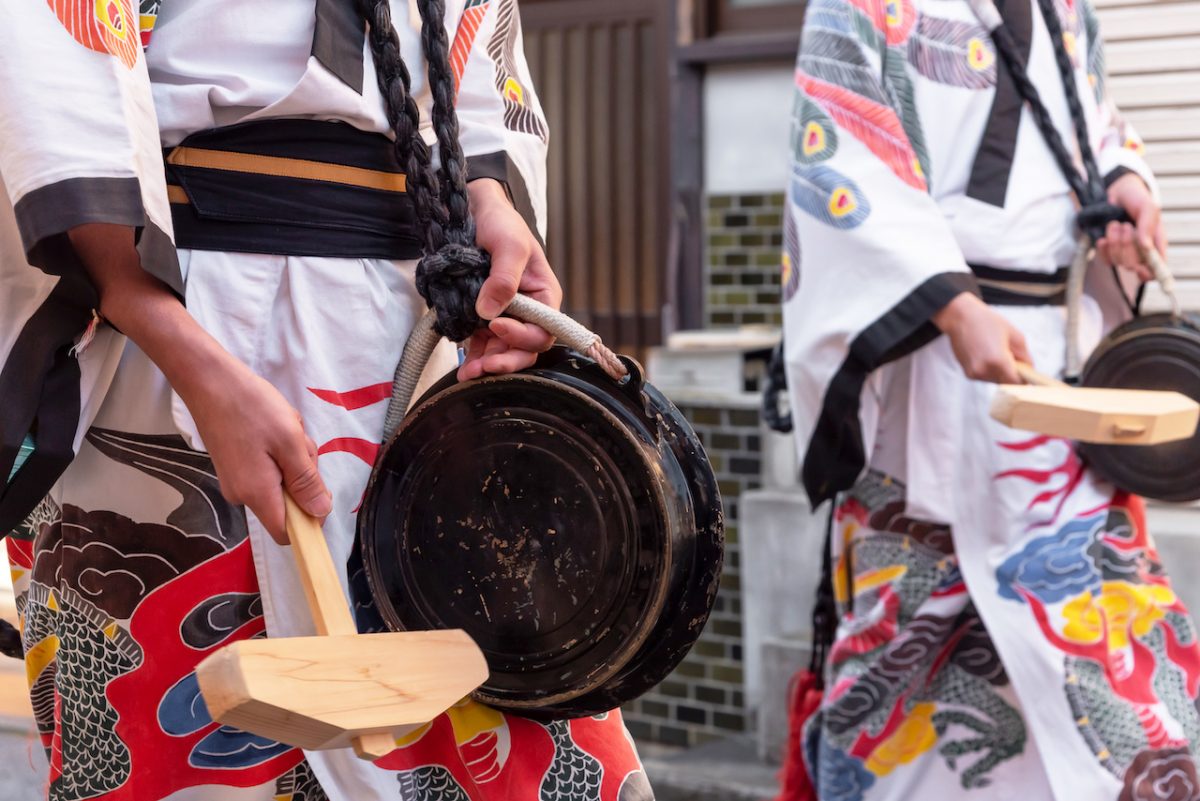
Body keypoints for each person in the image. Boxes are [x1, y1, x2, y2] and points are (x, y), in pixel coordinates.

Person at [0, 1, 652, 799]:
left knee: (523, 727)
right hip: (177, 324)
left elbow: (476, 60)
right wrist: (182, 348)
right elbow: (55, 72)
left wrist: (487, 197)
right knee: (186, 733)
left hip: (411, 331)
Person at [780, 0, 1199, 798]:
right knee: (912, 664)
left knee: (1121, 645)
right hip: (929, 367)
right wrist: (953, 305)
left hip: (1060, 375)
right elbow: (840, 159)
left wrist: (1124, 184)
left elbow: (1093, 118)